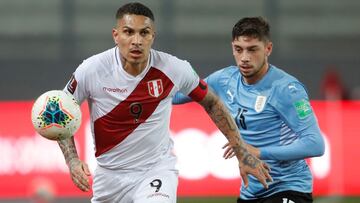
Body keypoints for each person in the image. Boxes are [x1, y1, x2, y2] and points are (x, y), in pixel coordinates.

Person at [57, 3, 272, 203]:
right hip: (109, 177)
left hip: (155, 171)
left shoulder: (174, 69)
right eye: (129, 32)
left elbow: (212, 103)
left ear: (153, 36)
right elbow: (60, 110)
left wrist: (241, 151)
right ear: (116, 35)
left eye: (144, 33)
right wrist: (73, 160)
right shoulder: (92, 70)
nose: (137, 41)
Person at [173, 17, 325, 203]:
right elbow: (179, 96)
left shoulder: (286, 89)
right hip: (251, 192)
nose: (244, 58)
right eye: (239, 49)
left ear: (268, 49)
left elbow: (315, 144)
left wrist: (259, 152)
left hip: (288, 188)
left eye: (252, 49)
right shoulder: (224, 79)